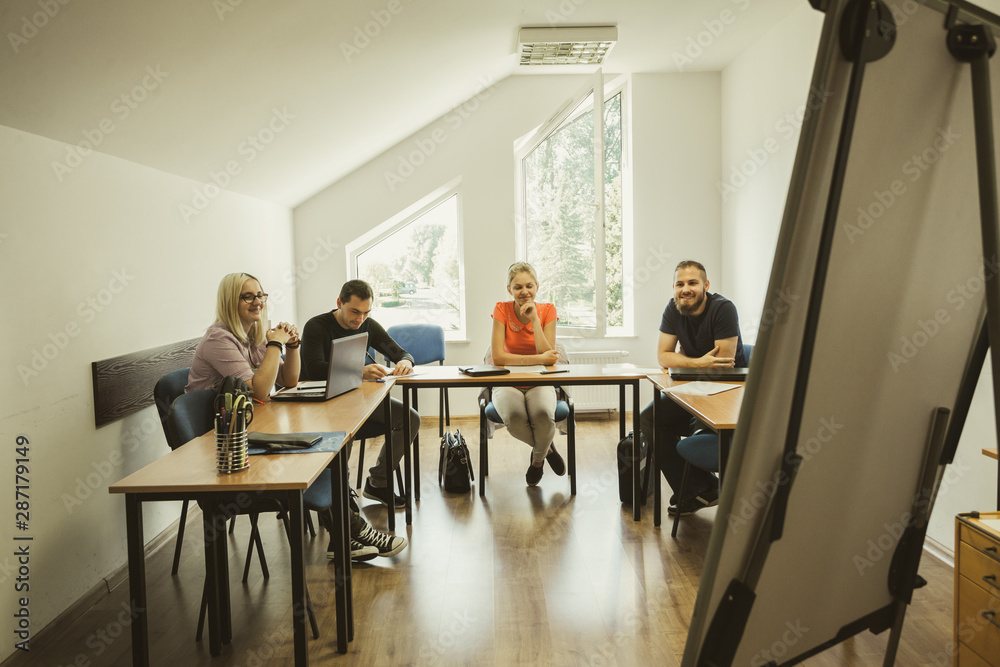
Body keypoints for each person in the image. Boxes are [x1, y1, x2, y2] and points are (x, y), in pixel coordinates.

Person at [188, 273, 403, 560]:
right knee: (319, 452)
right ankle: (352, 532)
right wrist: (276, 344)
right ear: (230, 301)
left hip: (252, 429)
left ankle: (346, 536)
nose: (257, 302)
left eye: (260, 295)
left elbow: (289, 381)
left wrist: (291, 346)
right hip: (223, 447)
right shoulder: (219, 338)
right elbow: (261, 391)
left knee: (325, 447)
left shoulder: (251, 337)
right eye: (248, 296)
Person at [300, 279, 421, 512]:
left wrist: (406, 360)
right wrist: (360, 371)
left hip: (355, 400)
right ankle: (338, 496)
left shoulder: (367, 325)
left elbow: (400, 352)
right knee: (347, 425)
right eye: (354, 311)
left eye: (366, 313)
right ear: (339, 303)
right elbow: (314, 368)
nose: (359, 319)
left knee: (409, 419)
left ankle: (379, 482)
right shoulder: (316, 326)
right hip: (319, 403)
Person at [639, 260, 747, 516]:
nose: (685, 289)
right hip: (694, 388)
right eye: (680, 284)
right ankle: (697, 489)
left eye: (692, 283)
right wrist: (698, 362)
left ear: (706, 286)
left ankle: (702, 489)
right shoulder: (673, 308)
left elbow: (722, 366)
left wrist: (684, 361)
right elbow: (663, 357)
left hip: (729, 393)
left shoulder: (723, 309)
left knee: (693, 424)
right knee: (649, 419)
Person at [490, 261, 565, 486]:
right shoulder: (501, 309)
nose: (524, 292)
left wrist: (534, 319)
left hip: (539, 380)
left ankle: (536, 461)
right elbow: (498, 358)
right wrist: (538, 359)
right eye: (518, 287)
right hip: (507, 381)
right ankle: (547, 449)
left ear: (537, 286)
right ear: (509, 290)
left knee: (543, 415)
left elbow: (548, 355)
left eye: (529, 286)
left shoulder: (548, 310)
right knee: (513, 418)